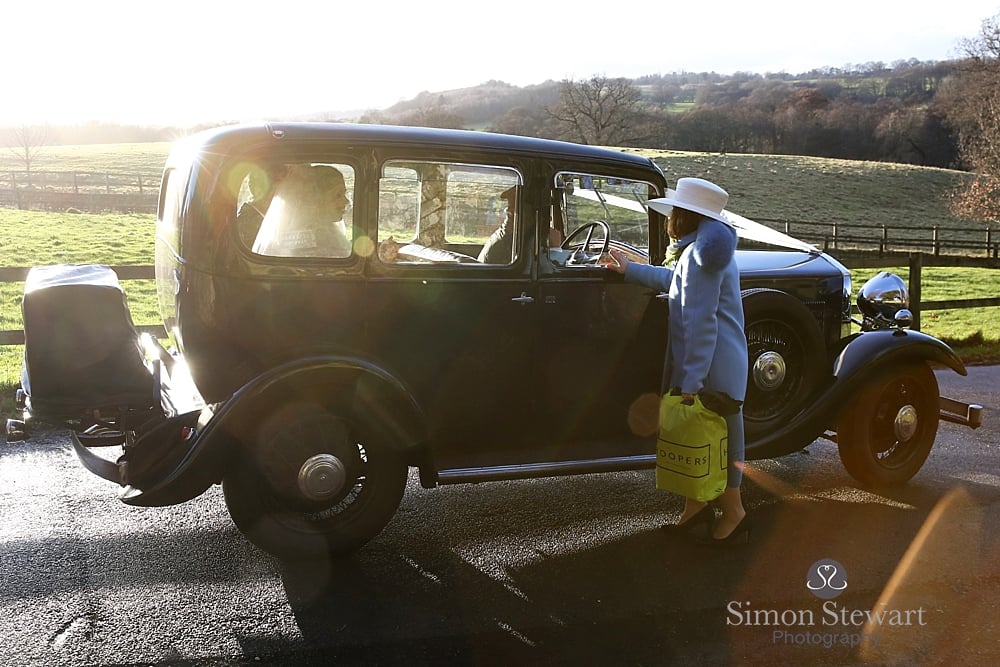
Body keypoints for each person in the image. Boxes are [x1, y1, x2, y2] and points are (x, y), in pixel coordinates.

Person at [604, 177, 749, 546]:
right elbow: (676, 280)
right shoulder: (700, 254)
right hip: (720, 362)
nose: (668, 221)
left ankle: (734, 510)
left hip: (711, 366)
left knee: (718, 440)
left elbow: (701, 324)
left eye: (672, 214)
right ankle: (697, 506)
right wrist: (630, 269)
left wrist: (691, 382)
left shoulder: (700, 259)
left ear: (682, 218)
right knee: (705, 438)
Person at [251, 164, 351, 258]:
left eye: (344, 194)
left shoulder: (329, 232)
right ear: (315, 199)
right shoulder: (311, 242)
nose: (346, 201)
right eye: (338, 195)